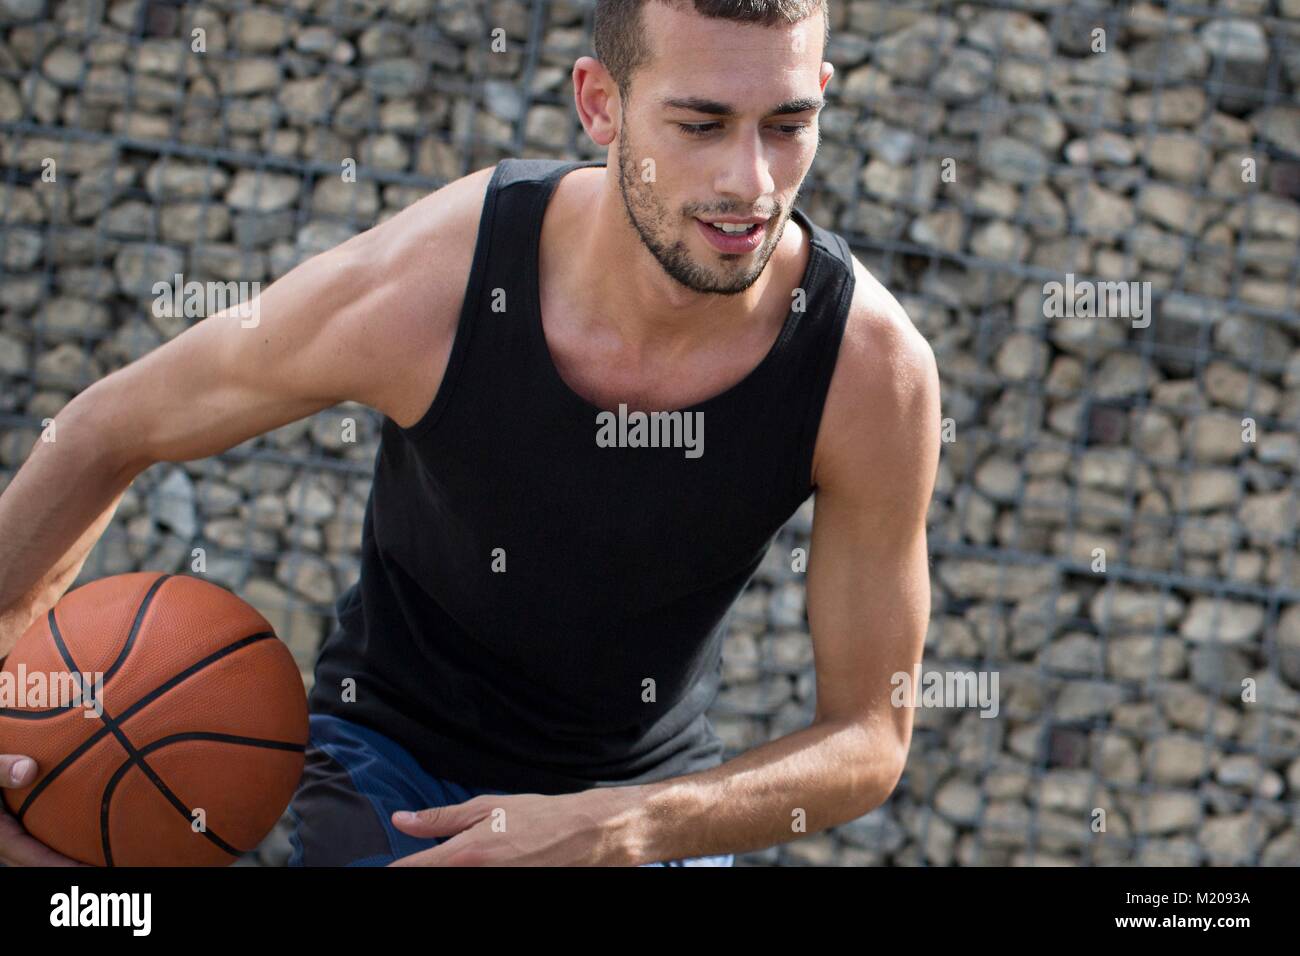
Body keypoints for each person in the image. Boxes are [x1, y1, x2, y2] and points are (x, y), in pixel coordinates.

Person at [0, 0, 938, 867]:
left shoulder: (866, 372)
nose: (750, 181)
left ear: (822, 96)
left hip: (641, 797)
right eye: (699, 125)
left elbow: (869, 736)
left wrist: (621, 823)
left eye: (786, 124)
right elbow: (102, 430)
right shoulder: (435, 286)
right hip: (397, 765)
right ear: (600, 105)